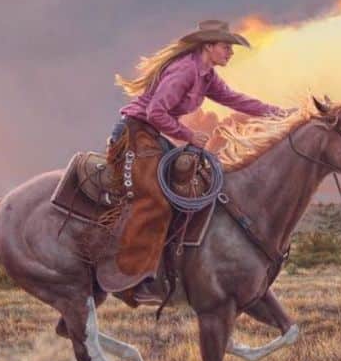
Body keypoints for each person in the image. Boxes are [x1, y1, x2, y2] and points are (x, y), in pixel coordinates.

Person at [108, 19, 284, 304]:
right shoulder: (184, 71)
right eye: (226, 47)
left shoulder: (206, 76)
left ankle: (173, 268)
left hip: (152, 136)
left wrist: (278, 113)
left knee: (192, 189)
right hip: (133, 133)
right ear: (209, 46)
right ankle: (135, 278)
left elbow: (235, 100)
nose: (230, 52)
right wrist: (189, 135)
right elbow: (155, 112)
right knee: (155, 200)